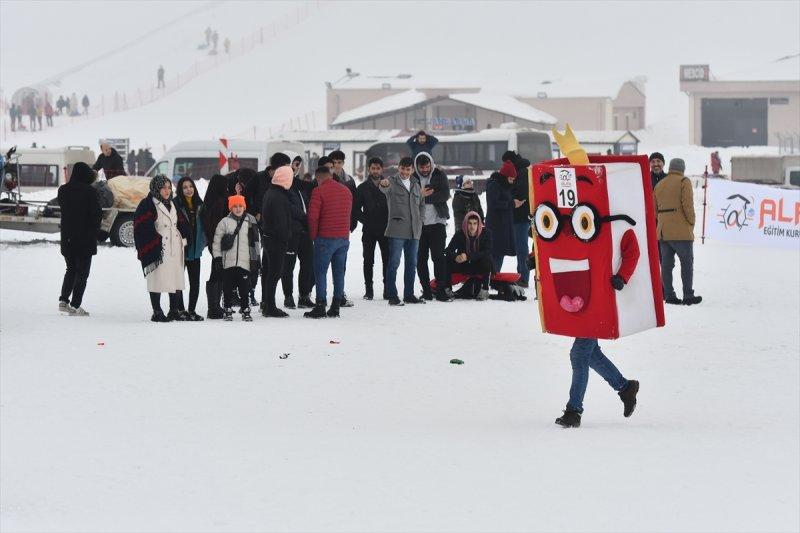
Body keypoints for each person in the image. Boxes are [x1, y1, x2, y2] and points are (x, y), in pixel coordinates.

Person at [133, 176, 191, 322]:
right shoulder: (147, 204)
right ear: (156, 188)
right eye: (163, 187)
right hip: (158, 246)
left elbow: (181, 223)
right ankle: (157, 311)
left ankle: (174, 310)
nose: (167, 190)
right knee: (157, 278)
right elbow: (141, 227)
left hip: (175, 245)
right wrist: (154, 242)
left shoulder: (173, 203)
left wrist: (184, 239)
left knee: (175, 277)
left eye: (169, 187)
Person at [305, 166, 352, 318]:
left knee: (320, 273)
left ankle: (320, 306)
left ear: (318, 178)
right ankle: (336, 306)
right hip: (343, 239)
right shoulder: (346, 191)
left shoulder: (318, 191)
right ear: (330, 175)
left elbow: (312, 217)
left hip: (325, 238)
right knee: (339, 273)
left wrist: (313, 236)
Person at [654, 158, 702, 306]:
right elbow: (688, 205)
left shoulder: (659, 184)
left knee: (667, 265)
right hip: (681, 232)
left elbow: (654, 210)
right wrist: (691, 221)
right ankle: (688, 295)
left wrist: (664, 221)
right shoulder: (683, 182)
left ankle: (669, 295)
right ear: (682, 168)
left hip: (663, 232)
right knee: (686, 263)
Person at [57, 162, 102, 316]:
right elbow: (96, 214)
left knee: (70, 269)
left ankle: (63, 301)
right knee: (82, 273)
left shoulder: (62, 190)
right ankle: (76, 305)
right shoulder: (89, 191)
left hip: (67, 239)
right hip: (84, 239)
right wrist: (97, 231)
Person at [379, 156, 425, 306]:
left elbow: (421, 205)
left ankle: (409, 294)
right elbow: (384, 188)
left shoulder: (416, 184)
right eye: (402, 168)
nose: (405, 172)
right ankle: (392, 295)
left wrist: (421, 220)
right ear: (398, 168)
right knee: (394, 263)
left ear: (412, 169)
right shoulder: (392, 182)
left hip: (414, 231)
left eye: (408, 169)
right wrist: (383, 184)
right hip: (397, 230)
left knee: (412, 264)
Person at [212, 194, 260, 321]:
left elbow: (256, 242)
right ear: (230, 208)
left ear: (244, 207)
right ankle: (227, 308)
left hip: (245, 263)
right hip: (228, 263)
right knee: (227, 288)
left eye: (240, 206)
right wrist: (217, 258)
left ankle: (245, 309)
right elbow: (216, 241)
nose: (238, 209)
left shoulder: (250, 221)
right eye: (235, 206)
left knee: (245, 288)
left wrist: (256, 260)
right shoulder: (224, 222)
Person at [413, 151, 452, 302]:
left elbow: (445, 195)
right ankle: (427, 290)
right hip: (419, 225)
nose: (425, 170)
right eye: (422, 168)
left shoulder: (439, 175)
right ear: (417, 167)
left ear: (431, 164)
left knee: (438, 257)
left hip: (437, 223)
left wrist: (424, 197)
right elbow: (410, 198)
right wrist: (420, 196)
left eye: (427, 167)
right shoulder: (413, 178)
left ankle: (440, 290)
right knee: (421, 259)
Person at [259, 166, 294, 317]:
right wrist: (286, 237)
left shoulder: (270, 192)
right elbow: (281, 222)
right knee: (274, 273)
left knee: (268, 273)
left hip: (268, 238)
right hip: (276, 241)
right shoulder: (279, 196)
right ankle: (270, 307)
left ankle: (267, 304)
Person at [355, 157, 389, 300]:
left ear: (382, 169)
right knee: (368, 260)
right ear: (369, 169)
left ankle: (387, 289)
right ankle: (369, 290)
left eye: (378, 168)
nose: (375, 171)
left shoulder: (388, 185)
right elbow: (355, 210)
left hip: (386, 229)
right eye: (373, 168)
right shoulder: (362, 188)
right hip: (368, 230)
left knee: (387, 260)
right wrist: (366, 221)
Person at [282, 165, 316, 310]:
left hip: (305, 231)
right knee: (288, 265)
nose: (295, 169)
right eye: (292, 166)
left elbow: (307, 203)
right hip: (292, 231)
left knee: (308, 263)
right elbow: (288, 207)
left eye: (297, 166)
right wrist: (304, 216)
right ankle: (288, 296)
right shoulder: (283, 187)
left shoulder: (300, 186)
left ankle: (304, 295)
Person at [328, 150, 358, 307]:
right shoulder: (324, 179)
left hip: (343, 228)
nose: (337, 165)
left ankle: (339, 294)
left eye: (340, 162)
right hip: (326, 228)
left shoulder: (350, 180)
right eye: (334, 163)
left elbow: (354, 204)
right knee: (320, 263)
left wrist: (352, 222)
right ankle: (310, 293)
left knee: (341, 263)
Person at [173, 177, 206, 320]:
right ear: (180, 189)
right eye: (185, 187)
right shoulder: (175, 204)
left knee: (195, 281)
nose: (188, 189)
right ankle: (180, 310)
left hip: (195, 250)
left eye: (190, 186)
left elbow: (204, 226)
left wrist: (203, 242)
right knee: (178, 281)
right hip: (181, 249)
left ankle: (192, 310)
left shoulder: (200, 204)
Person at [443, 211, 493, 300]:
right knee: (446, 258)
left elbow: (487, 251)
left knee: (487, 259)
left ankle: (485, 289)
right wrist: (456, 257)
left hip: (479, 266)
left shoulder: (486, 233)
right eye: (469, 223)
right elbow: (448, 250)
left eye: (475, 223)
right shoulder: (460, 234)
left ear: (479, 224)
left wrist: (468, 256)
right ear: (466, 224)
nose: (472, 226)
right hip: (464, 265)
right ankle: (447, 289)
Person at [201, 174, 229, 318]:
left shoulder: (209, 201)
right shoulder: (220, 202)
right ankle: (214, 308)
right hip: (220, 244)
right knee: (218, 274)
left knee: (216, 272)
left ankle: (214, 306)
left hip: (213, 243)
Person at [485, 160, 517, 272]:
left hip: (503, 225)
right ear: (505, 176)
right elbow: (493, 203)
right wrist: (512, 204)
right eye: (511, 179)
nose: (512, 181)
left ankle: (495, 275)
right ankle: (493, 276)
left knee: (500, 253)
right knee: (496, 253)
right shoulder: (494, 185)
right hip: (496, 225)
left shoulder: (504, 186)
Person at [507, 151, 532, 287]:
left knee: (521, 247)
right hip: (524, 214)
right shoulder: (524, 170)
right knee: (521, 247)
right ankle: (522, 275)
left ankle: (523, 277)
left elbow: (521, 194)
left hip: (520, 215)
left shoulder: (521, 173)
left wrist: (510, 195)